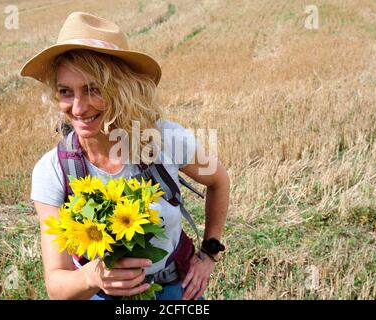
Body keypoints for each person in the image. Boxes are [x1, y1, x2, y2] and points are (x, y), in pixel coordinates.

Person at [20, 11, 230, 300]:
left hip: (173, 287)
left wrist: (209, 253)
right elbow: (57, 286)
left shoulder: (164, 140)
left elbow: (219, 181)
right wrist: (94, 276)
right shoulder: (53, 171)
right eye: (66, 91)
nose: (78, 109)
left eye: (93, 89)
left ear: (121, 88)